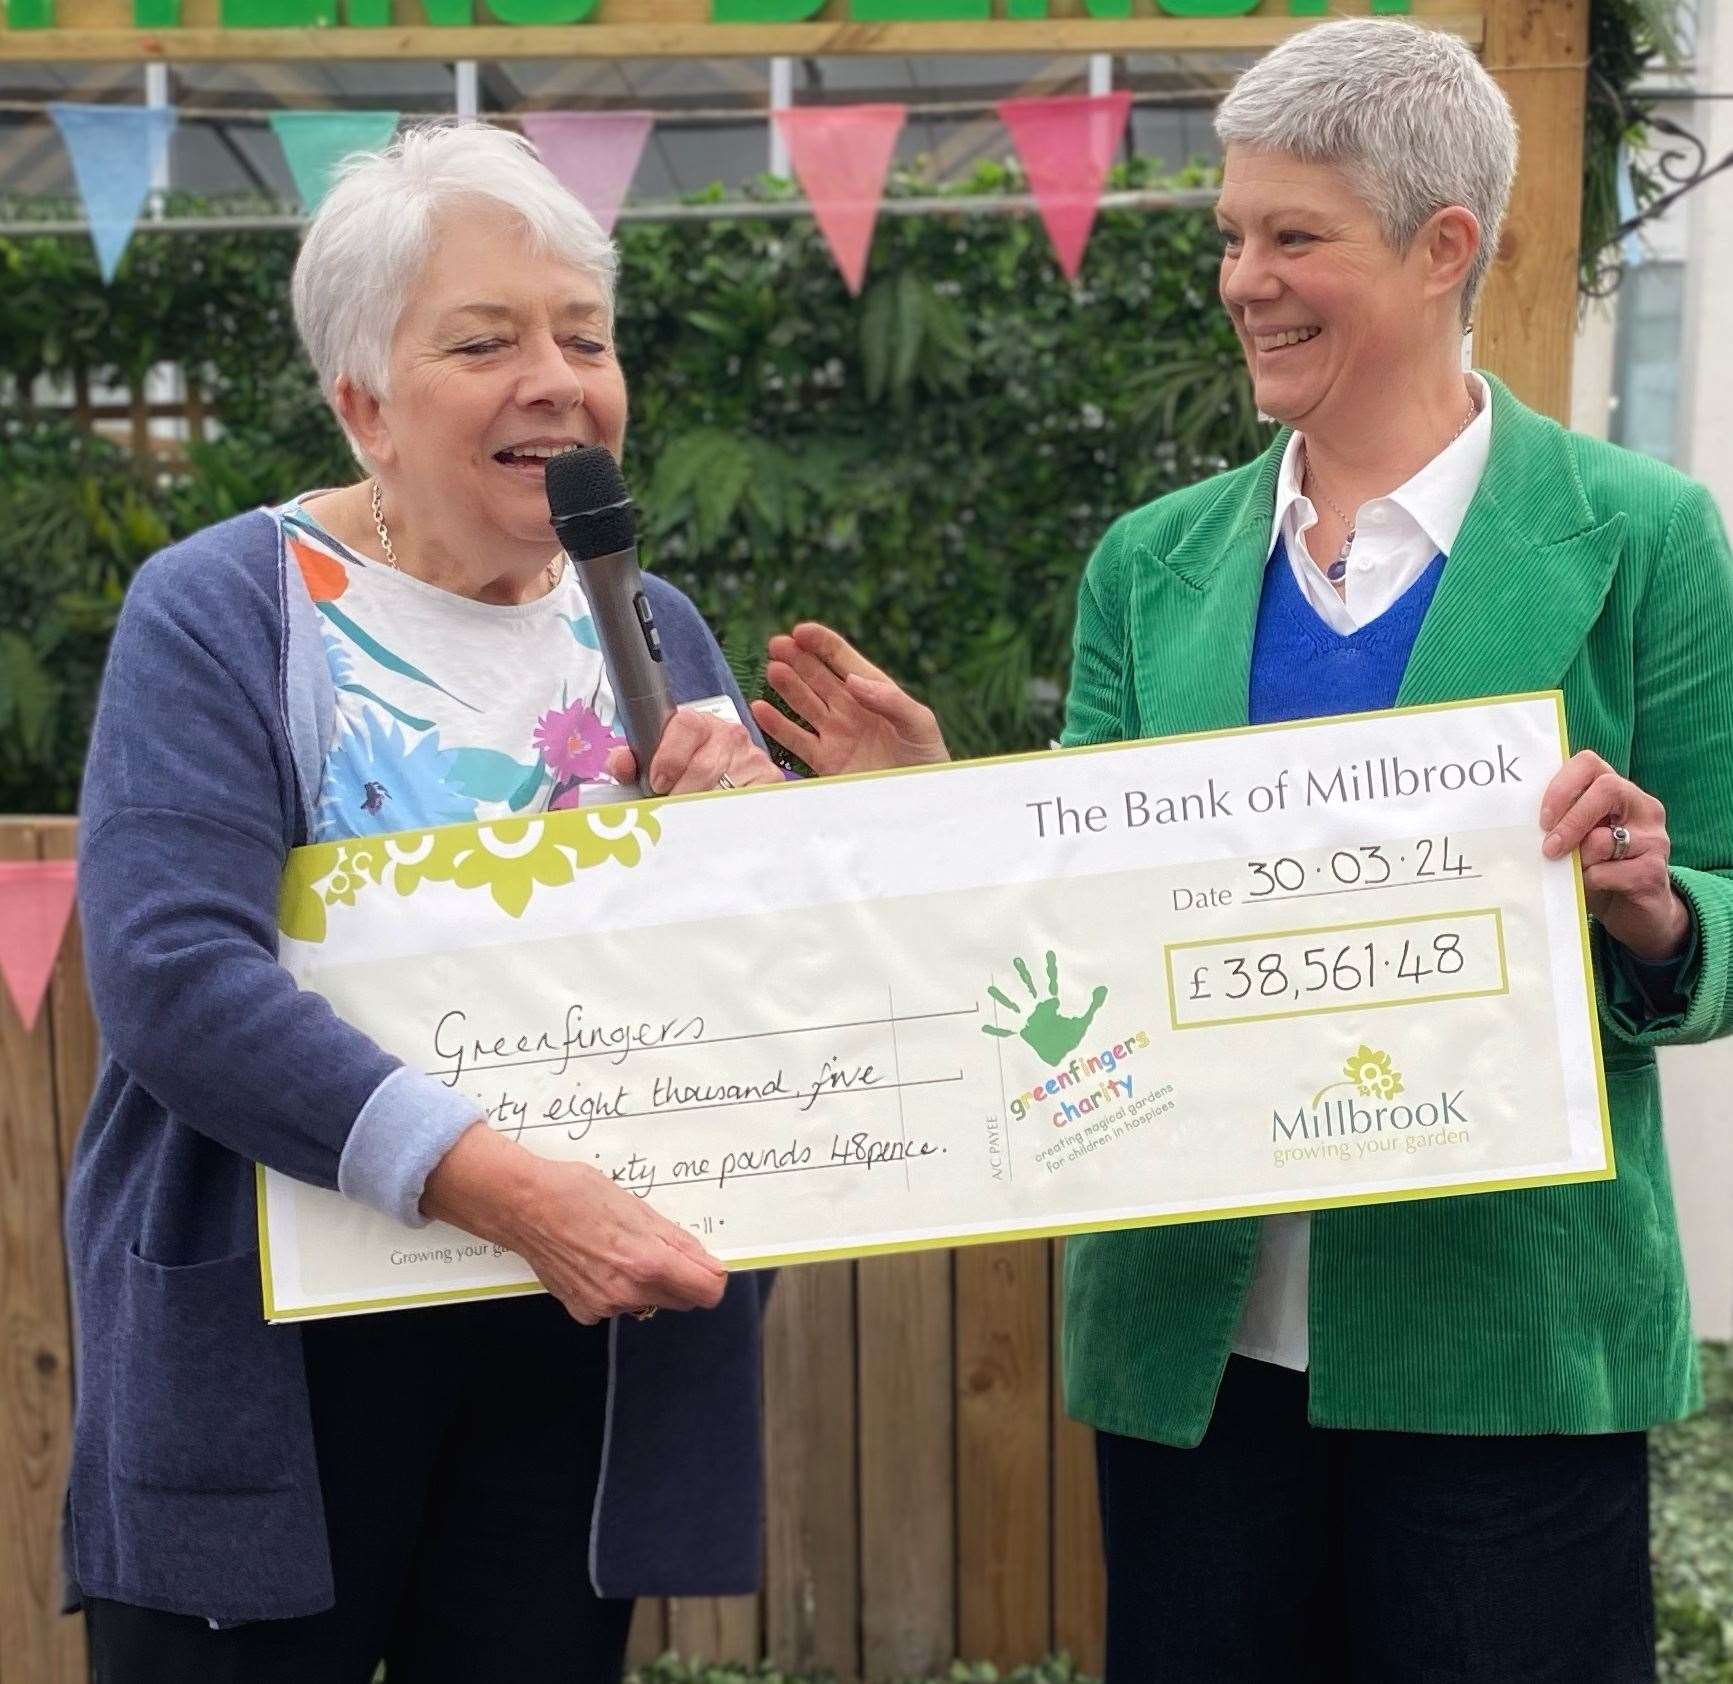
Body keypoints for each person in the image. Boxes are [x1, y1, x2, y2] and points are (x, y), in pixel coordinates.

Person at [763, 20, 1733, 1681]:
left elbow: (1719, 903)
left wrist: (1649, 902)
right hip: (1193, 1344)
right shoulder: (1153, 564)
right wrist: (938, 806)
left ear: (1442, 251)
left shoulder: (1642, 537)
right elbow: (1069, 925)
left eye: (1293, 237)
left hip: (1505, 1338)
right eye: (1229, 234)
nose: (1240, 280)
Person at [63, 123, 784, 1683]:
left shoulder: (650, 621)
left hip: (567, 1353)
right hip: (275, 1353)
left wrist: (768, 854)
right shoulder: (221, 607)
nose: (557, 378)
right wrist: (505, 1187)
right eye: (485, 340)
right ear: (363, 403)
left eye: (583, 337)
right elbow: (173, 977)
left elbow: (750, 983)